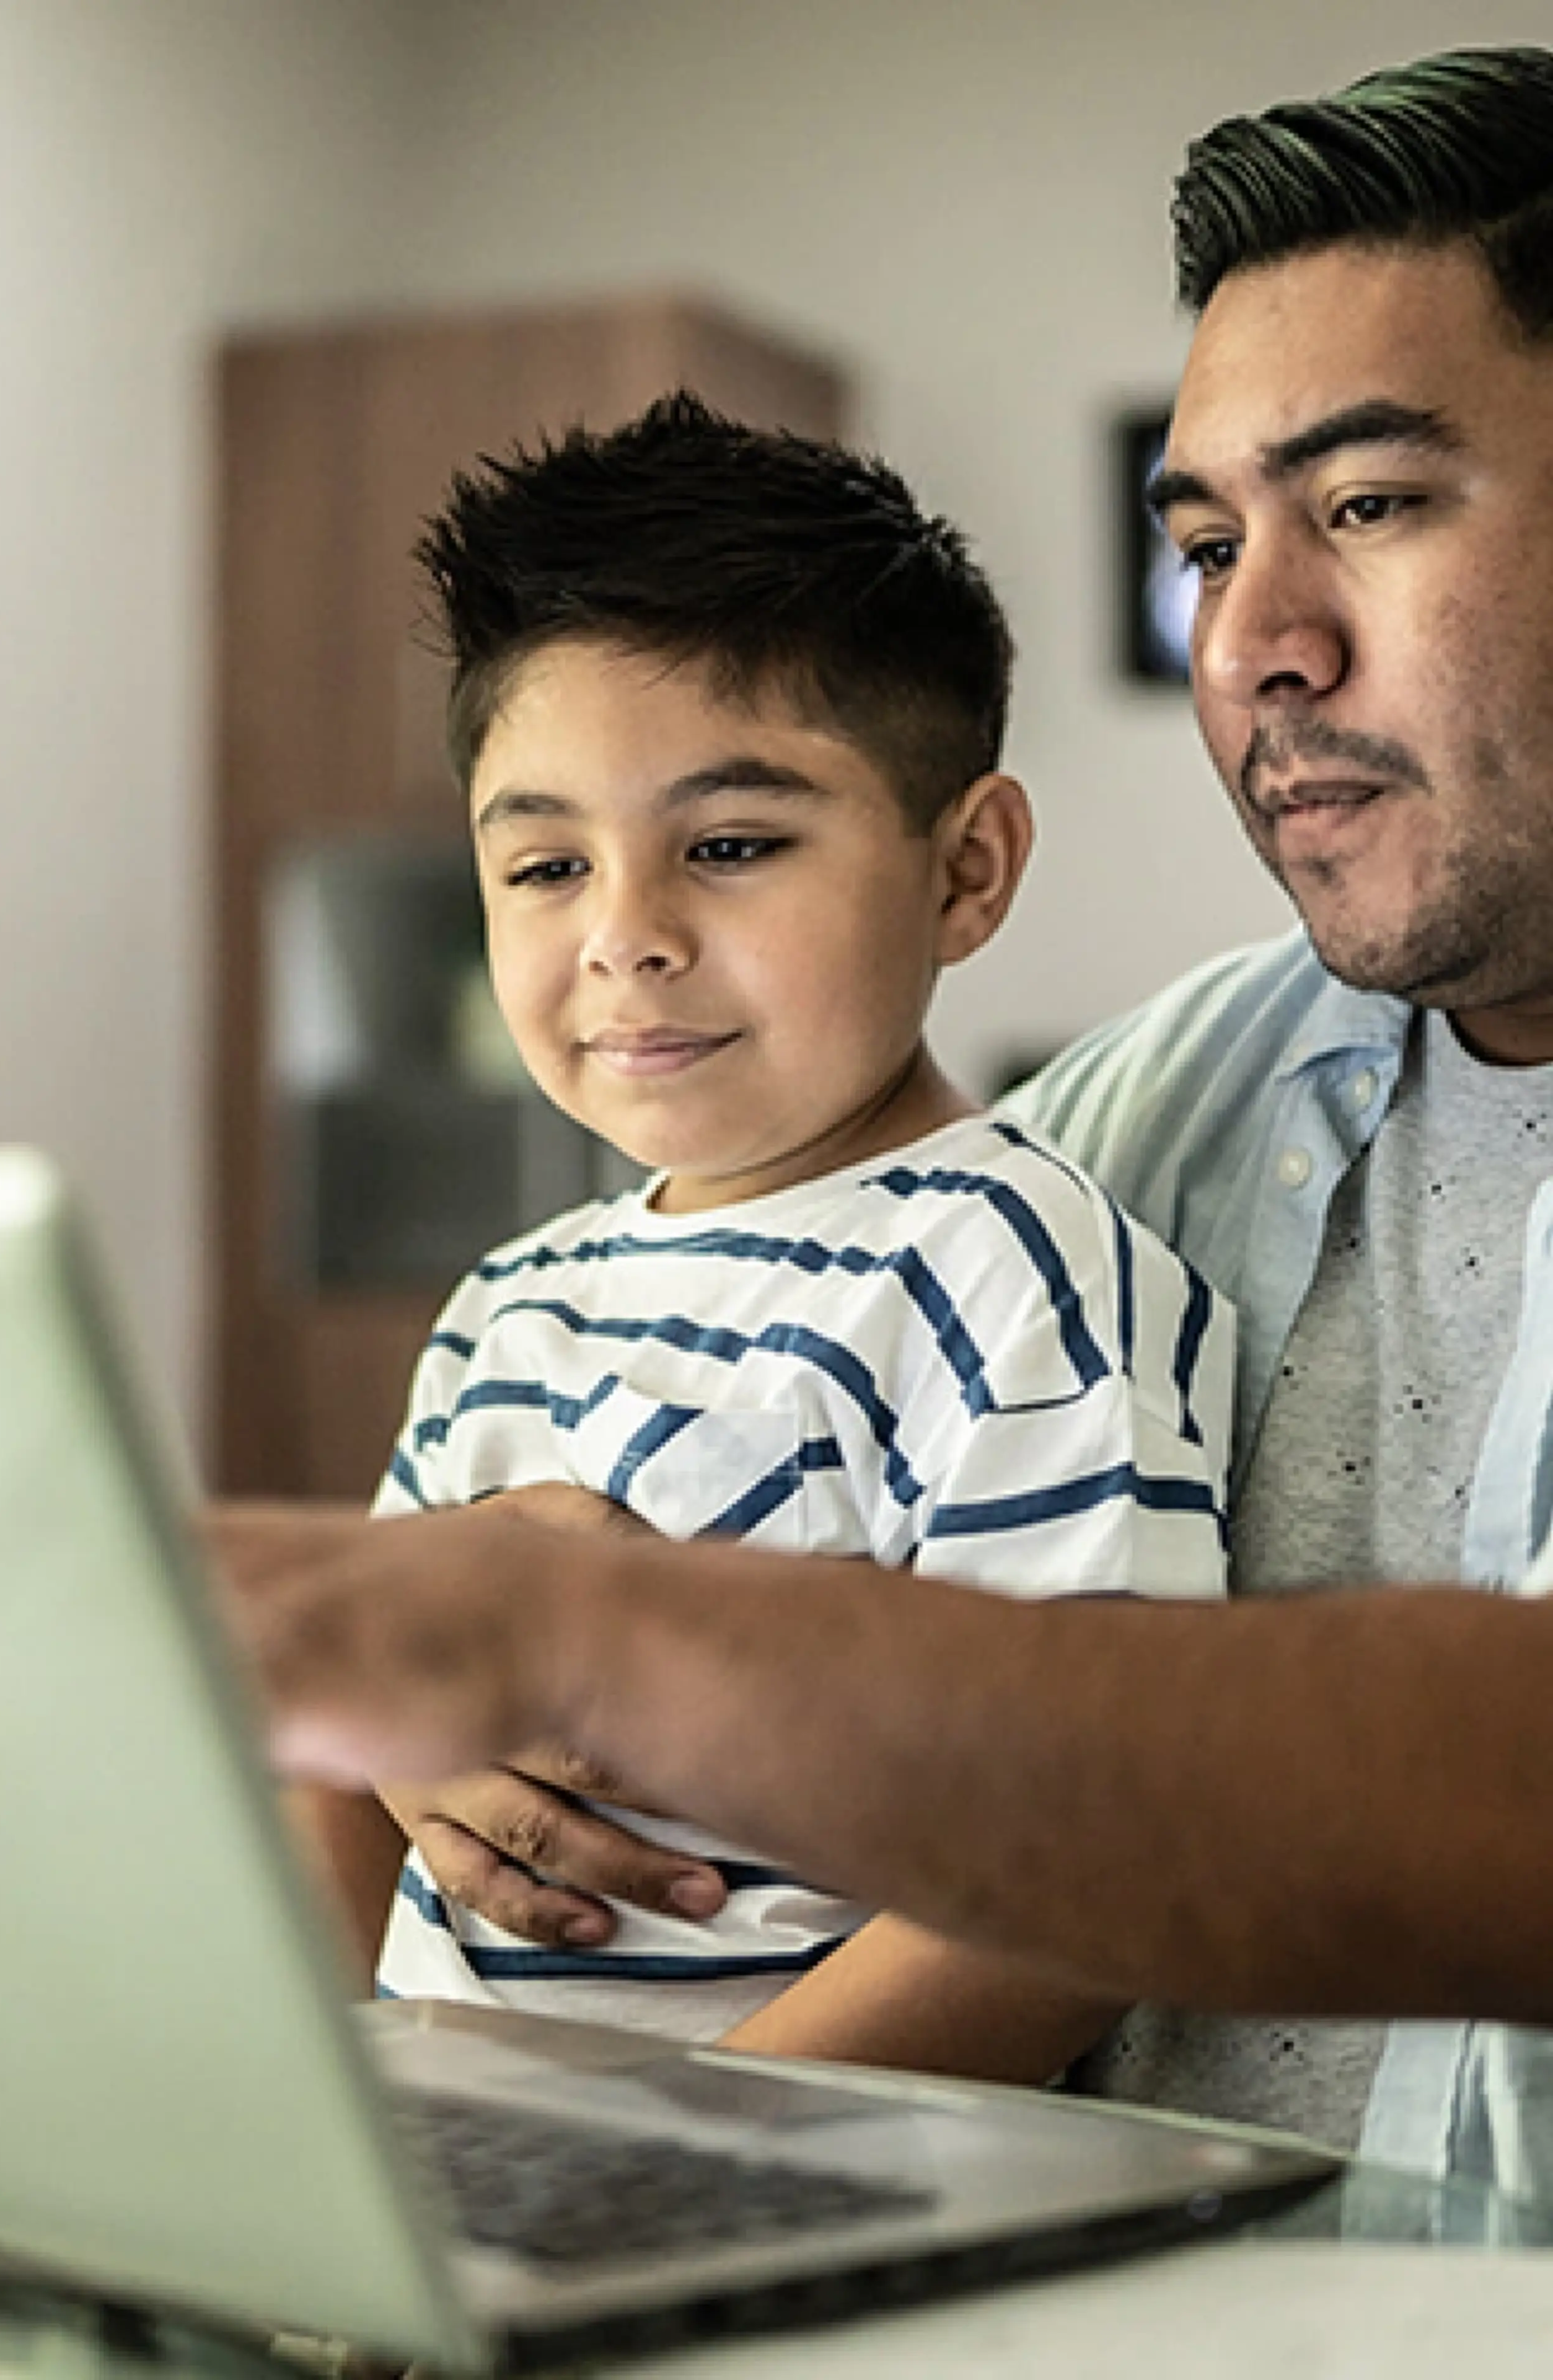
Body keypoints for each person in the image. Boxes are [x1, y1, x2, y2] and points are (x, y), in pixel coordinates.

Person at [216, 42, 1553, 2207]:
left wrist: (621, 1667)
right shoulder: (1175, 1102)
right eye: (1209, 543)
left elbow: (1115, 1866)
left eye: (1375, 504)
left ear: (963, 868)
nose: (1260, 645)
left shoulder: (1039, 1258)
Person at [320, 402, 1231, 2087]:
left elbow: (1086, 1884)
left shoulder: (1006, 1277)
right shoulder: (507, 1310)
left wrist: (695, 2165)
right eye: (541, 865)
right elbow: (369, 1715)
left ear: (966, 870)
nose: (625, 941)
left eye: (730, 848)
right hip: (460, 2187)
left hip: (798, 2234)